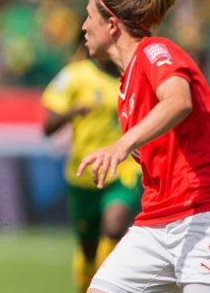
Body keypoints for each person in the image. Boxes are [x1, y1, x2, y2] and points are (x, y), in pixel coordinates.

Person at [76, 0, 210, 293]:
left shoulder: (154, 50)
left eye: (89, 16)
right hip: (156, 221)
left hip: (200, 215)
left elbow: (179, 101)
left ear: (112, 25)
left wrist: (121, 146)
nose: (82, 26)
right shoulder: (126, 86)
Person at [41, 37, 141, 293]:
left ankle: (107, 284)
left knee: (115, 226)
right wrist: (72, 111)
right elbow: (48, 127)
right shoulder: (75, 75)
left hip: (124, 168)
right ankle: (87, 284)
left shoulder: (133, 76)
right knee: (87, 249)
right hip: (84, 173)